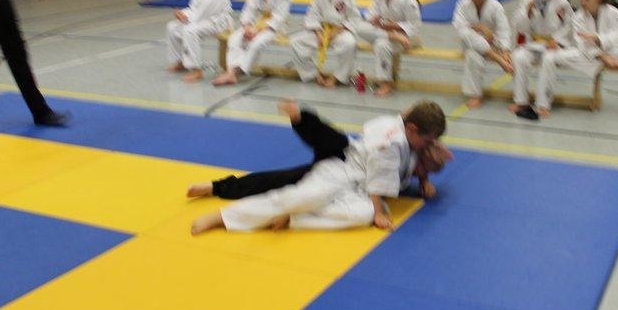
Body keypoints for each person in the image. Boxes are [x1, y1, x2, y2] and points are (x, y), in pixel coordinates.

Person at [189, 100, 447, 235]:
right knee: (301, 194)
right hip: (343, 168)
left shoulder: (409, 135)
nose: (431, 145)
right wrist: (379, 213)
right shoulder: (391, 144)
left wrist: (424, 179)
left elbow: (418, 149)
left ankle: (293, 219)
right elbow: (378, 184)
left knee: (360, 216)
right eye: (428, 141)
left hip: (358, 186)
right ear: (412, 129)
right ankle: (223, 217)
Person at [518, 0, 618, 120]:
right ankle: (542, 105)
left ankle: (604, 60)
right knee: (549, 57)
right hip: (585, 53)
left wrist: (598, 38)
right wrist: (603, 57)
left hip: (609, 50)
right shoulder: (578, 16)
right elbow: (581, 44)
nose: (582, 2)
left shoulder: (613, 12)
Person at [509, 0, 574, 120]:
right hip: (533, 43)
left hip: (553, 45)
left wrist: (556, 40)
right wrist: (528, 12)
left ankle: (543, 104)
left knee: (548, 60)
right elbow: (519, 26)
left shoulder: (562, 3)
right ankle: (521, 101)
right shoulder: (527, 0)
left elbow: (570, 26)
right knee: (518, 57)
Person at [213, 0, 292, 86]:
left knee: (256, 43)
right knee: (234, 39)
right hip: (254, 25)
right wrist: (246, 26)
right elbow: (248, 10)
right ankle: (231, 72)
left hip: (274, 29)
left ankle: (234, 72)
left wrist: (257, 31)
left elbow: (278, 19)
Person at [290, 0, 362, 88]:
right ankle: (313, 74)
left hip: (340, 32)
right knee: (296, 41)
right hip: (321, 31)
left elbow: (354, 18)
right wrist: (318, 33)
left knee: (350, 43)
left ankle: (338, 77)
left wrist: (338, 29)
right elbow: (311, 15)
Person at [165, 0, 234, 82]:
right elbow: (194, 8)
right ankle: (180, 62)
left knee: (190, 30)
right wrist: (183, 13)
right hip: (203, 20)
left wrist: (186, 17)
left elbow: (206, 11)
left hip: (218, 23)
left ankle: (196, 70)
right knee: (172, 27)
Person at [356, 0, 422, 98]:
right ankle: (390, 36)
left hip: (407, 37)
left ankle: (385, 83)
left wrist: (396, 26)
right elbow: (369, 15)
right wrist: (373, 19)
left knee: (381, 44)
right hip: (388, 34)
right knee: (357, 26)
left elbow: (415, 25)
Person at [454, 0, 514, 109]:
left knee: (472, 52)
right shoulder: (462, 4)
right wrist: (481, 28)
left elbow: (504, 30)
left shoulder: (496, 6)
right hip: (472, 44)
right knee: (469, 42)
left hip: (494, 45)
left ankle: (476, 94)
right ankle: (475, 95)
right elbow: (460, 28)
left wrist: (505, 51)